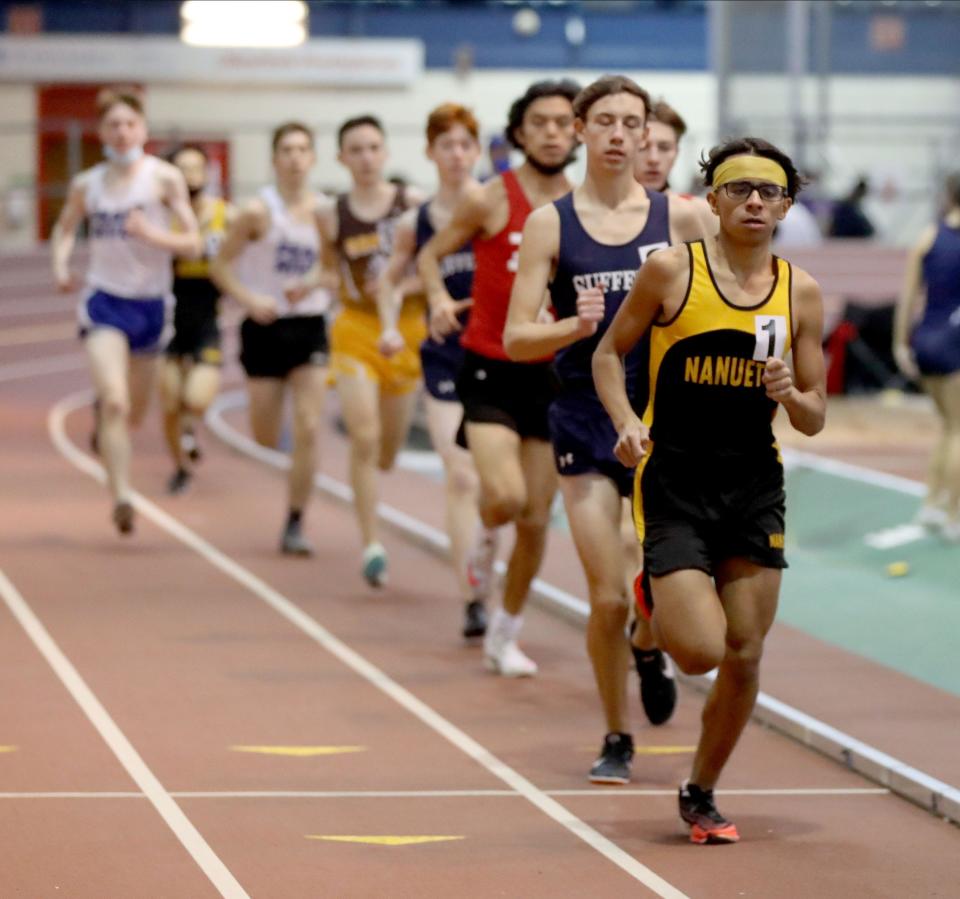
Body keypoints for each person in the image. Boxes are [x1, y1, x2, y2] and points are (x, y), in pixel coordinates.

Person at [593, 137, 826, 843]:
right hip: (676, 480)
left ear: (787, 204)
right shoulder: (671, 271)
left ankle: (701, 789)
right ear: (714, 200)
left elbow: (814, 416)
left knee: (746, 652)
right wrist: (628, 421)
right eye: (739, 188)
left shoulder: (800, 292)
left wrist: (793, 394)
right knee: (699, 651)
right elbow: (608, 354)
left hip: (754, 483)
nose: (755, 200)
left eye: (769, 191)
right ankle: (651, 602)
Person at [503, 76, 701, 781]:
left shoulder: (681, 217)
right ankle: (617, 733)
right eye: (607, 121)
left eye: (633, 124)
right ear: (582, 129)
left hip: (663, 419)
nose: (620, 135)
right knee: (608, 592)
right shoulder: (551, 224)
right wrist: (575, 326)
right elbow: (516, 336)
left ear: (648, 136)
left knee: (664, 594)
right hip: (584, 417)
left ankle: (649, 645)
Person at [418, 79, 580, 677]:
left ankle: (504, 632)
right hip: (489, 365)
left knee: (537, 519)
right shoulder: (491, 198)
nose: (553, 132)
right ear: (519, 132)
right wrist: (437, 298)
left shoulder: (583, 207)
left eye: (564, 122)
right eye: (540, 122)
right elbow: (430, 255)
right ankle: (485, 542)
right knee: (506, 497)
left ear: (577, 133)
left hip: (552, 375)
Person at [50, 89, 200, 534]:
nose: (121, 132)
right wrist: (60, 265)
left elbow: (193, 243)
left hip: (152, 305)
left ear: (143, 130)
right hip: (104, 302)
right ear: (101, 133)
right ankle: (121, 495)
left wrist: (153, 234)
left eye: (129, 124)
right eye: (113, 125)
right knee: (114, 403)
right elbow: (64, 230)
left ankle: (109, 428)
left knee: (134, 413)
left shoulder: (165, 179)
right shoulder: (88, 184)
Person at [378, 103, 499, 638]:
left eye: (465, 145)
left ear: (477, 151)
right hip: (448, 354)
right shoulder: (417, 221)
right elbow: (388, 280)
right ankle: (471, 595)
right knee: (461, 473)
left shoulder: (499, 205)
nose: (456, 154)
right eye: (445, 145)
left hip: (503, 354)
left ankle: (495, 568)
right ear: (429, 152)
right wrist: (388, 324)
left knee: (509, 488)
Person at [210, 122, 334, 556]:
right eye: (287, 150)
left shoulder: (326, 213)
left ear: (314, 157)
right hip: (263, 325)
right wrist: (248, 298)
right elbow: (220, 266)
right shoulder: (255, 212)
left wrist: (315, 279)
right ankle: (285, 453)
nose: (296, 157)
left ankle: (296, 520)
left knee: (309, 426)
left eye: (304, 149)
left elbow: (335, 269)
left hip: (309, 325)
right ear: (275, 158)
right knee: (265, 435)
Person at [315, 115, 426, 587]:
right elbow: (327, 269)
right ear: (342, 158)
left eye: (372, 148)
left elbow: (439, 267)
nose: (364, 158)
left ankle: (379, 472)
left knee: (386, 452)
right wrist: (306, 285)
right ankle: (371, 544)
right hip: (356, 328)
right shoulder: (328, 214)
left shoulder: (414, 205)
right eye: (354, 149)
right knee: (362, 436)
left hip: (406, 330)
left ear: (385, 154)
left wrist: (401, 287)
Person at [162, 145, 236, 494]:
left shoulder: (226, 215)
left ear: (207, 173)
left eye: (196, 168)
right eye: (182, 169)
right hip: (168, 320)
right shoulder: (161, 217)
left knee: (196, 398)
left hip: (207, 319)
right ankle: (180, 466)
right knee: (169, 403)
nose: (190, 176)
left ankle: (191, 428)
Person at [893, 172, 960, 540]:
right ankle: (954, 517)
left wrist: (900, 343)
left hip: (926, 340)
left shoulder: (928, 236)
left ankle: (931, 505)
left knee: (948, 426)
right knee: (959, 430)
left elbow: (907, 297)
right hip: (954, 341)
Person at [634, 99, 716, 236]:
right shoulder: (600, 213)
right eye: (642, 147)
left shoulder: (702, 213)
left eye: (664, 148)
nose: (653, 159)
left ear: (676, 152)